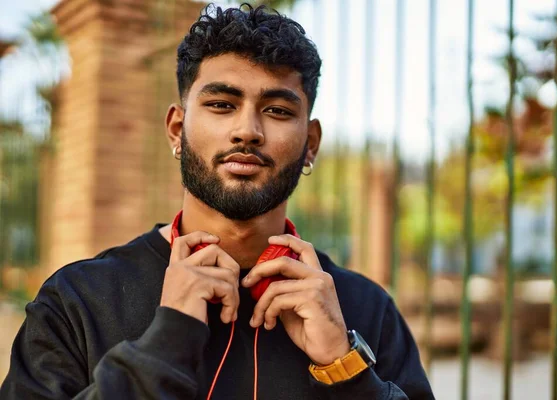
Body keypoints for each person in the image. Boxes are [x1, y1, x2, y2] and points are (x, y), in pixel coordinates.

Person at [1, 3, 434, 399]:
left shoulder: (366, 310)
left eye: (278, 110)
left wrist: (346, 368)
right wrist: (165, 342)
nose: (247, 130)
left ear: (311, 144)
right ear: (176, 129)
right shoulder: (79, 300)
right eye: (222, 104)